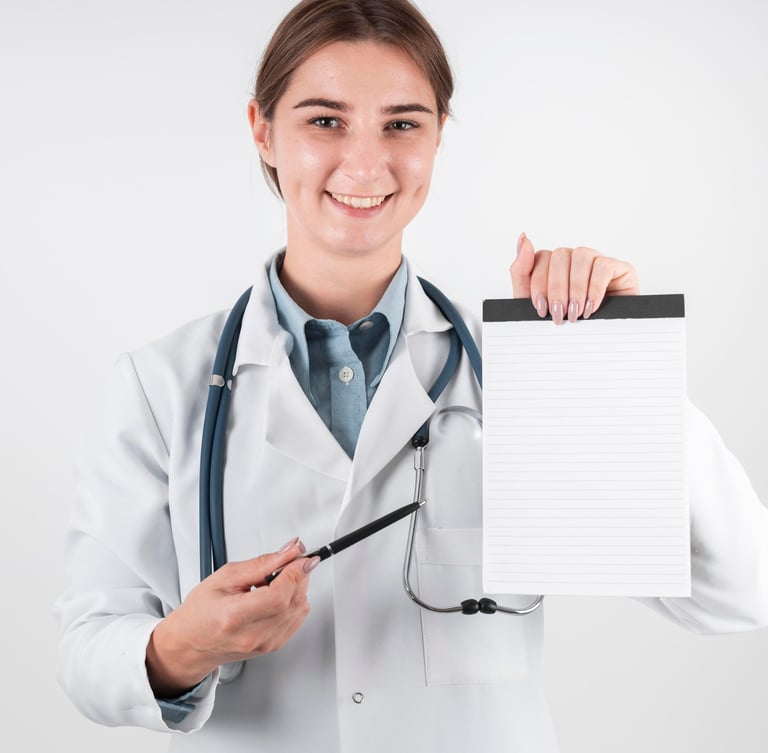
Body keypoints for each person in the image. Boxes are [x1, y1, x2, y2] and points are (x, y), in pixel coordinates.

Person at [54, 1, 768, 751]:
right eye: (324, 121)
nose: (366, 164)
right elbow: (87, 644)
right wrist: (181, 646)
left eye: (402, 123)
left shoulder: (525, 370)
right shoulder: (160, 386)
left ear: (438, 137)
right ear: (263, 131)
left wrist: (618, 368)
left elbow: (738, 590)